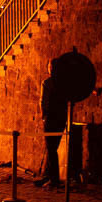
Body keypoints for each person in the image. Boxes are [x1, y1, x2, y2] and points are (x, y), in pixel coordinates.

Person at [34, 59, 67, 189]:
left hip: (51, 118)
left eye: (50, 66)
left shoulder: (47, 83)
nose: (49, 68)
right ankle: (47, 176)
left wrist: (43, 117)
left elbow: (43, 102)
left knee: (51, 148)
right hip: (61, 118)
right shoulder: (64, 84)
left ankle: (54, 179)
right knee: (52, 148)